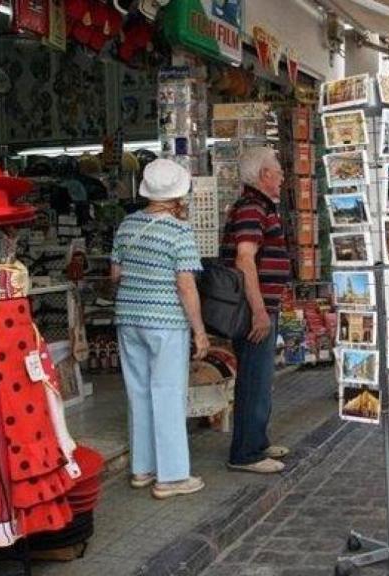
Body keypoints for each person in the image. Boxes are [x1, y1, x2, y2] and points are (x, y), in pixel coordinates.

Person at [112, 158, 209, 499]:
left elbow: (115, 275)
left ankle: (143, 469)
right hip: (165, 321)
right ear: (177, 194)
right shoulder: (179, 231)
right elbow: (186, 284)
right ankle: (171, 476)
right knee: (168, 394)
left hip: (128, 318)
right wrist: (199, 329)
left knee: (138, 393)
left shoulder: (126, 225)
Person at [220, 146, 293, 474]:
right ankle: (246, 453)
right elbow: (244, 259)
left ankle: (257, 441)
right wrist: (259, 310)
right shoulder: (252, 207)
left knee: (260, 379)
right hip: (254, 308)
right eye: (277, 171)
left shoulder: (258, 206)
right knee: (254, 378)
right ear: (264, 175)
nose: (281, 177)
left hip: (260, 305)